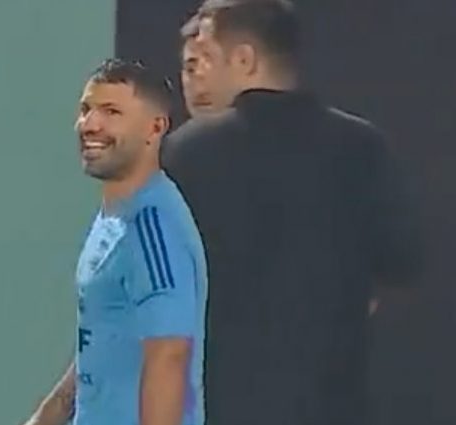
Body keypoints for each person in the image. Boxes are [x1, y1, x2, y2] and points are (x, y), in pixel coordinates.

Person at [162, 1, 422, 424]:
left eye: (207, 57)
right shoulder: (362, 148)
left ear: (244, 59)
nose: (197, 75)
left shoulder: (186, 154)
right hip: (336, 407)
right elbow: (404, 262)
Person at [25, 59, 208, 425]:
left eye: (111, 112)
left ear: (155, 128)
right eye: (86, 109)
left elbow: (169, 356)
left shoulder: (154, 228)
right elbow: (102, 339)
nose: (91, 124)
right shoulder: (114, 217)